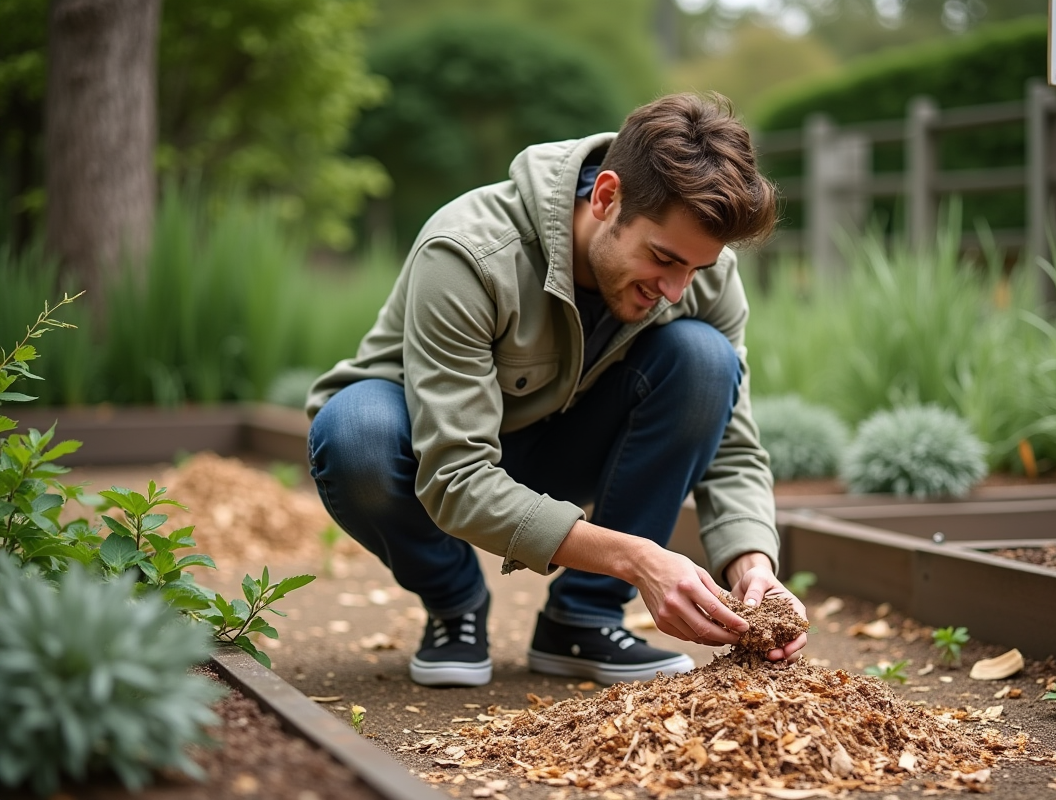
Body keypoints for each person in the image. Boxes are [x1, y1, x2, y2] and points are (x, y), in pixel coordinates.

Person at [306, 92, 807, 688]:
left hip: (565, 450)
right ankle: (455, 602)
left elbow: (730, 445)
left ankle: (583, 618)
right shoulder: (468, 251)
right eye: (663, 258)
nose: (677, 289)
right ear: (605, 196)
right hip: (433, 453)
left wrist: (753, 563)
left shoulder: (702, 272)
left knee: (705, 358)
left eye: (694, 270)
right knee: (354, 435)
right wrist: (638, 558)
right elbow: (457, 476)